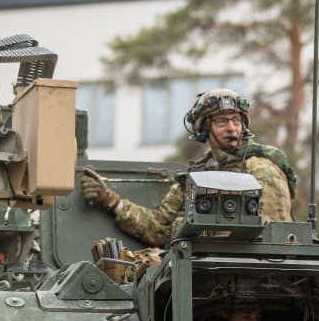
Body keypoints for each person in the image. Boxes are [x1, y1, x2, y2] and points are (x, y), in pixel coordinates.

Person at [80, 88, 297, 247]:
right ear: (205, 129)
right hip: (194, 273)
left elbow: (273, 238)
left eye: (237, 121)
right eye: (222, 121)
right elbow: (159, 229)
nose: (232, 128)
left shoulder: (261, 169)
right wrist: (110, 200)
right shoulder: (197, 176)